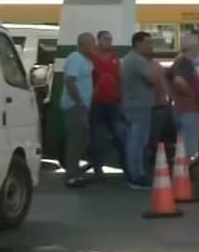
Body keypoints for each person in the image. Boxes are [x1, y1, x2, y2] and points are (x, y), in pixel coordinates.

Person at [88, 30, 128, 181]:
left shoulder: (114, 57)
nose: (109, 42)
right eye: (106, 39)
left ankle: (126, 167)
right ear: (99, 40)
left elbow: (120, 78)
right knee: (97, 138)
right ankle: (98, 168)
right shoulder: (91, 57)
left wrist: (122, 99)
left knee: (120, 135)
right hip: (96, 103)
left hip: (113, 103)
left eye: (110, 39)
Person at [120, 31, 157, 190]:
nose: (150, 46)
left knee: (137, 141)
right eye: (147, 43)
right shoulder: (137, 60)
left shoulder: (130, 59)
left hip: (135, 105)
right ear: (138, 44)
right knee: (136, 142)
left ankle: (136, 173)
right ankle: (135, 176)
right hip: (138, 106)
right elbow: (153, 79)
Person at [61, 32, 96, 188]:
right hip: (75, 106)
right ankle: (71, 177)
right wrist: (79, 101)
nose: (94, 46)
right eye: (92, 43)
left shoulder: (85, 60)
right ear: (83, 44)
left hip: (83, 106)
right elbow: (70, 81)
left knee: (83, 139)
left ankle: (76, 171)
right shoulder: (75, 58)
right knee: (75, 141)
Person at [168, 55, 199, 164]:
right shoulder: (188, 77)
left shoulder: (171, 76)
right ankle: (187, 173)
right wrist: (192, 93)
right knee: (191, 150)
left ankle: (180, 171)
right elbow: (196, 92)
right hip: (191, 111)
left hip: (177, 110)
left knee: (181, 144)